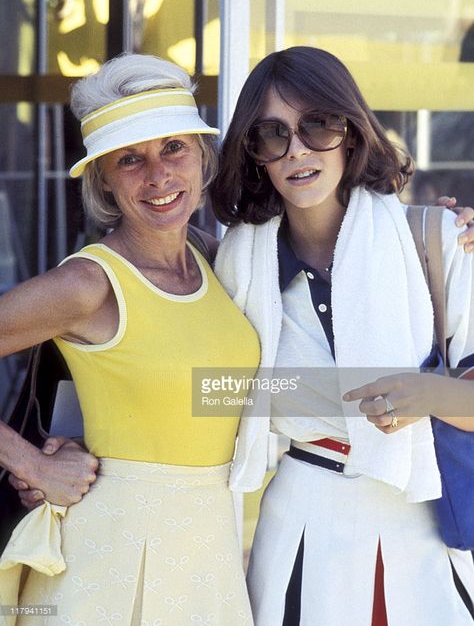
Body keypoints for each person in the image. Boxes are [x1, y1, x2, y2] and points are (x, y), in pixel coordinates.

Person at [210, 46, 474, 626]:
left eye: (318, 125)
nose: (297, 150)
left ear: (351, 133)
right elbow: (213, 395)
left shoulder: (433, 240)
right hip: (303, 520)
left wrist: (424, 394)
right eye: (272, 134)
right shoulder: (235, 264)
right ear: (254, 155)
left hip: (423, 517)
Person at [0, 53, 260, 625]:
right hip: (111, 556)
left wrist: (430, 238)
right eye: (129, 159)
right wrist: (31, 465)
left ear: (201, 155)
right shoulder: (89, 283)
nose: (159, 176)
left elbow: (233, 395)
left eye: (173, 148)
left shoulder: (216, 260)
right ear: (105, 181)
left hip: (210, 551)